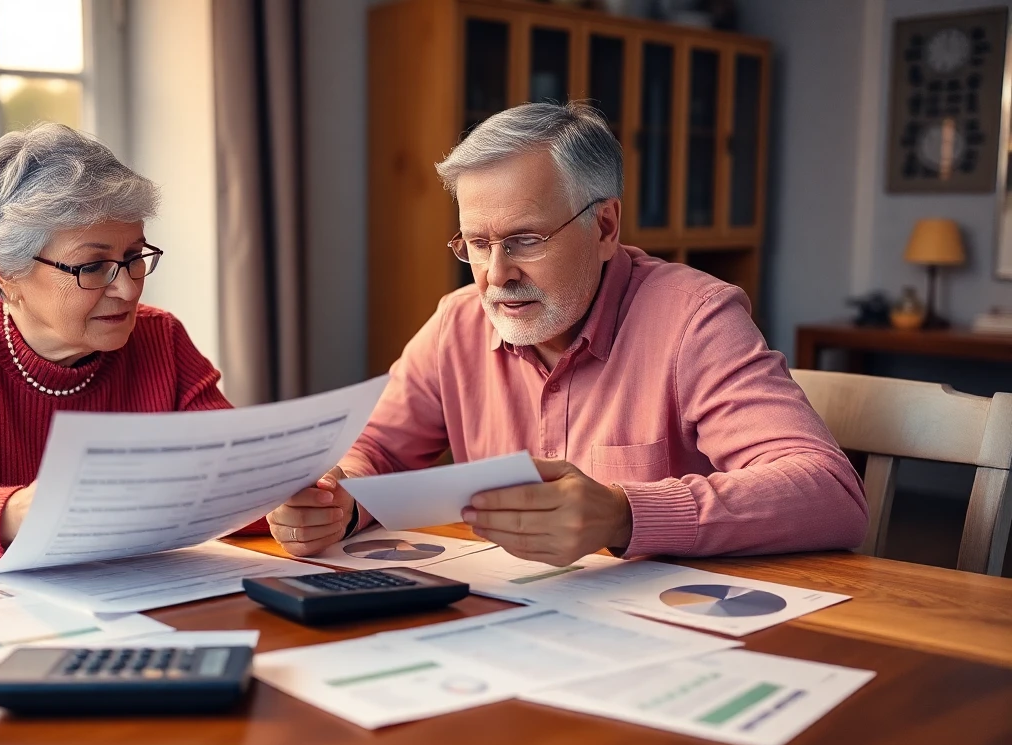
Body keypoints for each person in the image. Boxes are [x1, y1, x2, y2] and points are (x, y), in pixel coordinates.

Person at [267, 102, 867, 566]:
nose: (497, 275)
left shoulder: (694, 317)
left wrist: (623, 514)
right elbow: (377, 450)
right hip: (511, 626)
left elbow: (830, 493)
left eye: (525, 240)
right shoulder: (457, 321)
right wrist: (337, 498)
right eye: (477, 244)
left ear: (605, 226)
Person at [0, 122, 261, 567]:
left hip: (132, 605)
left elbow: (237, 478)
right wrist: (19, 511)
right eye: (92, 266)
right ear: (5, 273)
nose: (129, 290)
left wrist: (296, 506)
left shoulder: (160, 338)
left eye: (134, 258)